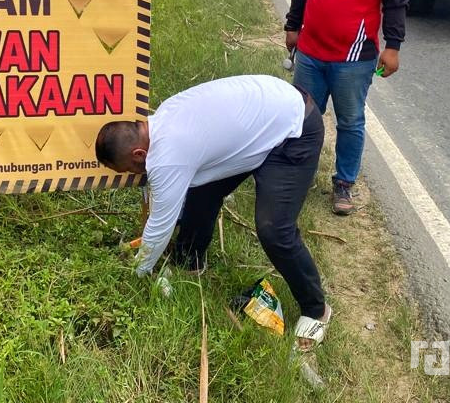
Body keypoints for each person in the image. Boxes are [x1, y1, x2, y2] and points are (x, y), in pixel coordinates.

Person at [95, 74, 332, 347]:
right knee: (201, 189)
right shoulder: (163, 116)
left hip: (294, 130)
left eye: (130, 169)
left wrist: (139, 271)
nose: (137, 174)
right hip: (266, 109)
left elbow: (161, 224)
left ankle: (316, 310)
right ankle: (189, 262)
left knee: (274, 228)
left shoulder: (167, 155)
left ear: (139, 154)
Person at [285, 0, 408, 215]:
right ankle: (297, 176)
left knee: (350, 122)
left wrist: (393, 46)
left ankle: (343, 183)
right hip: (310, 52)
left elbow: (396, 3)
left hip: (354, 60)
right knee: (301, 119)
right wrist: (292, 27)